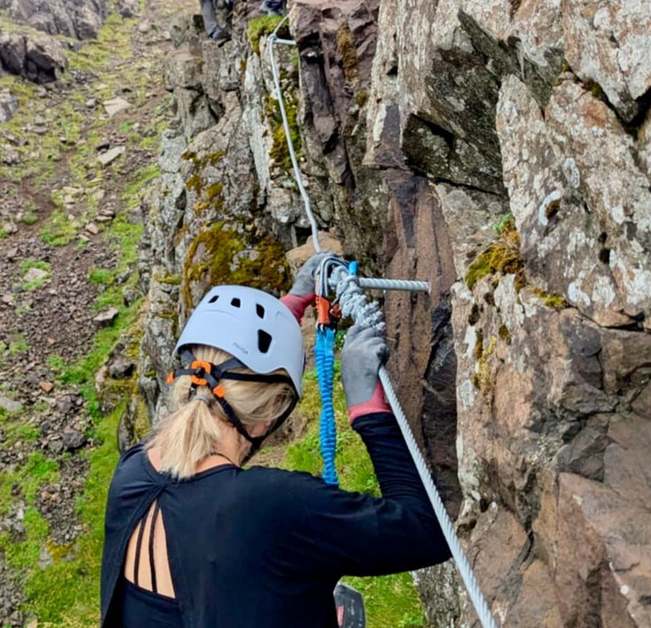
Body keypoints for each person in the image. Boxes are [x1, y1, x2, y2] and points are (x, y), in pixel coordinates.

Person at [100, 253, 451, 628]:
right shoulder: (276, 507)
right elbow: (426, 531)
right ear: (273, 412)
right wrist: (368, 408)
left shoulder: (132, 471)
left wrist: (287, 310)